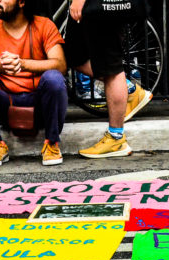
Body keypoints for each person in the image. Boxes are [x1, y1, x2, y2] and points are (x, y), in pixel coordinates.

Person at [0, 0, 66, 167]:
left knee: (54, 78)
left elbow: (60, 65)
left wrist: (22, 64)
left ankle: (52, 142)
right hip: (7, 104)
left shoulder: (44, 25)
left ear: (22, 2)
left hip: (40, 105)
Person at [66, 0, 151, 158]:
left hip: (102, 6)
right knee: (72, 54)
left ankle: (116, 138)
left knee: (110, 65)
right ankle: (130, 91)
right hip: (92, 7)